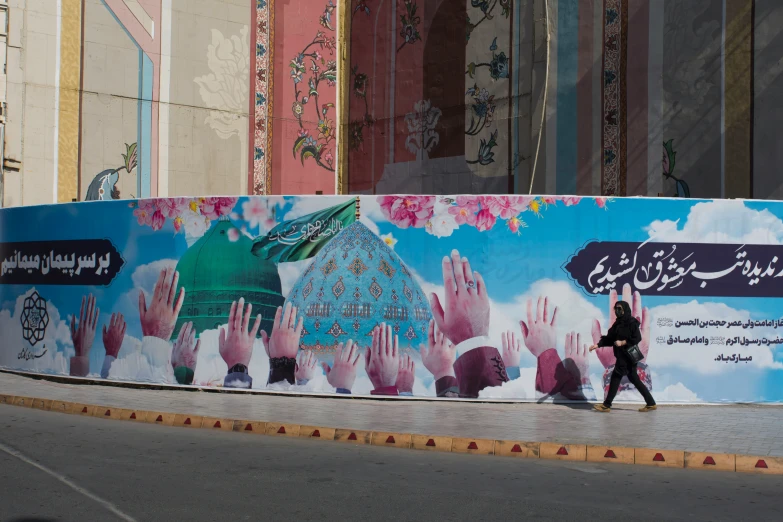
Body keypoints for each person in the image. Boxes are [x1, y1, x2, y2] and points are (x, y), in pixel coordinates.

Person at [589, 300, 656, 412]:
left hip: (628, 356)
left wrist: (623, 342)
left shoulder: (632, 322)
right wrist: (597, 345)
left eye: (619, 308)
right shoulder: (617, 324)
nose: (617, 311)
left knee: (615, 377)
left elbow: (637, 338)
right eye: (616, 309)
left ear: (625, 309)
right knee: (634, 379)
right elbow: (610, 339)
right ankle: (651, 403)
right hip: (621, 355)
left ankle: (606, 405)